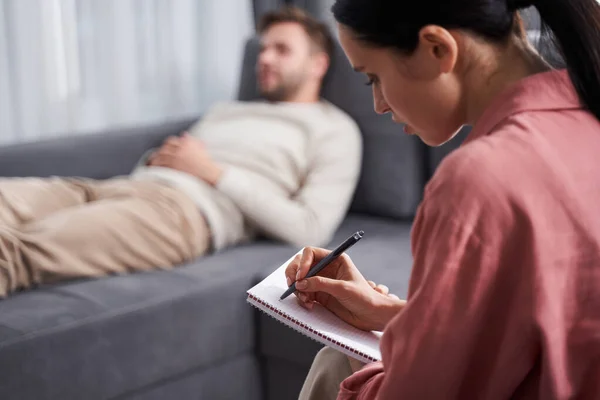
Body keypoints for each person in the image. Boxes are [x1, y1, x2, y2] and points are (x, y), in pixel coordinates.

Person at [291, 0, 600, 399]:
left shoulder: (480, 181)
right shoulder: (585, 120)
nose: (378, 104)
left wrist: (367, 369)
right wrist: (392, 314)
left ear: (437, 48)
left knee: (334, 363)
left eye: (373, 78)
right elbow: (544, 326)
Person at [0, 6, 362, 298]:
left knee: (14, 251)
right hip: (122, 186)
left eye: (281, 50)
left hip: (182, 213)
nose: (265, 58)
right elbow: (175, 160)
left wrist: (211, 172)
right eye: (263, 48)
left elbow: (309, 228)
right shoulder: (227, 110)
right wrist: (158, 160)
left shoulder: (334, 129)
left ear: (318, 64)